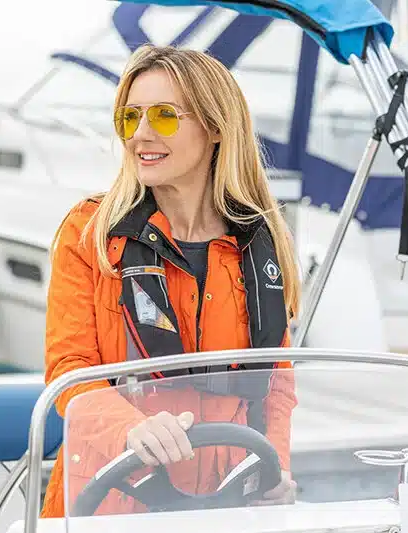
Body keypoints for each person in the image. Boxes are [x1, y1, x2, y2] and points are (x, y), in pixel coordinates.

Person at [40, 43, 300, 518]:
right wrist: (130, 430)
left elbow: (276, 383)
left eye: (162, 116)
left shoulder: (260, 244)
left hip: (226, 505)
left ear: (216, 127)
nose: (140, 135)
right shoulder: (90, 233)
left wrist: (275, 469)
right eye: (129, 117)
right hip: (109, 501)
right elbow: (69, 371)